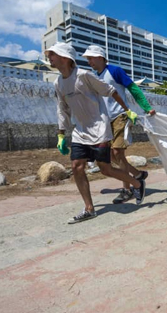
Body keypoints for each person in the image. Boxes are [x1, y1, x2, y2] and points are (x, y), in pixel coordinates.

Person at [46, 42, 145, 224]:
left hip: (99, 127)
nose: (49, 57)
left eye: (53, 54)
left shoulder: (84, 76)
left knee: (105, 168)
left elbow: (111, 91)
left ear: (65, 58)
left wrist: (127, 110)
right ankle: (89, 209)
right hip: (80, 131)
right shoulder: (58, 83)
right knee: (77, 166)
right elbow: (62, 109)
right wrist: (61, 134)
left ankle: (137, 184)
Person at [82, 45, 155, 205]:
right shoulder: (95, 76)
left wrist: (146, 107)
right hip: (105, 120)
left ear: (101, 57)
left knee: (117, 152)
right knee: (112, 156)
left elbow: (133, 88)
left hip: (120, 116)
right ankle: (137, 175)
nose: (89, 61)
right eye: (87, 58)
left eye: (91, 58)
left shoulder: (115, 71)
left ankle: (127, 189)